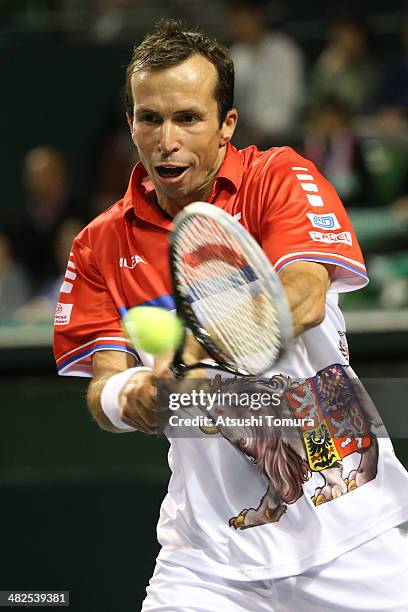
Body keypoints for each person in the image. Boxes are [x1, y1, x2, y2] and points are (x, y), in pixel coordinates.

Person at [53, 19, 408, 611]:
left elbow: (303, 296)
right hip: (207, 560)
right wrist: (133, 396)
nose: (167, 138)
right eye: (150, 118)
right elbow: (104, 388)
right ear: (131, 126)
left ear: (226, 126)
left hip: (352, 533)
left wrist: (195, 347)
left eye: (188, 118)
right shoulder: (99, 245)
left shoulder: (279, 177)